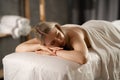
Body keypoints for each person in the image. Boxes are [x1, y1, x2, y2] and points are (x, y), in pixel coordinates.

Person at [15, 21, 90, 64]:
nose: (60, 40)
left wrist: (54, 51)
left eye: (58, 34)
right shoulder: (45, 37)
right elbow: (18, 49)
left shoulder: (73, 35)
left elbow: (83, 58)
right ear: (45, 44)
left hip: (96, 29)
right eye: (53, 43)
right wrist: (40, 46)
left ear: (58, 28)